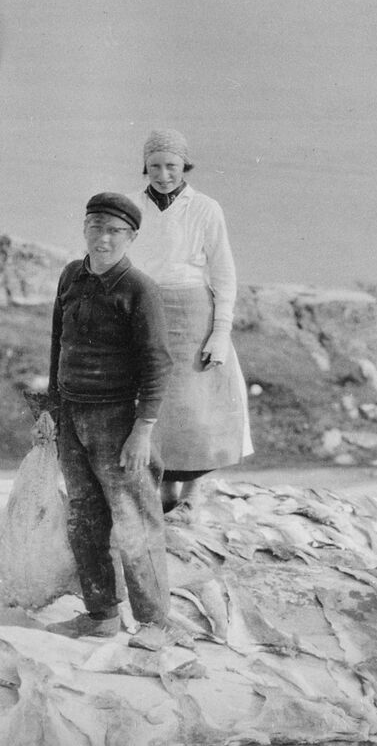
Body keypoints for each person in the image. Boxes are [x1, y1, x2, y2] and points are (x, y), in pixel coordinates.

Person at [45, 192, 189, 650]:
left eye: (114, 231)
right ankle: (101, 615)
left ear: (131, 238)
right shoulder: (72, 274)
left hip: (118, 421)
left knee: (135, 523)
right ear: (84, 227)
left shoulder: (139, 288)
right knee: (85, 519)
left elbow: (157, 364)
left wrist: (143, 429)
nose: (102, 239)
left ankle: (154, 625)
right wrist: (51, 409)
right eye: (95, 227)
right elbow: (58, 343)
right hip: (72, 415)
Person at [127, 129, 250, 514]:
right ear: (145, 167)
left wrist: (220, 331)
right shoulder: (130, 205)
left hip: (194, 312)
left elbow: (224, 273)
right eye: (155, 166)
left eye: (172, 166)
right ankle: (159, 489)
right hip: (143, 306)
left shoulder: (206, 208)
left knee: (195, 405)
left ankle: (193, 491)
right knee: (148, 401)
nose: (164, 175)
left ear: (185, 166)